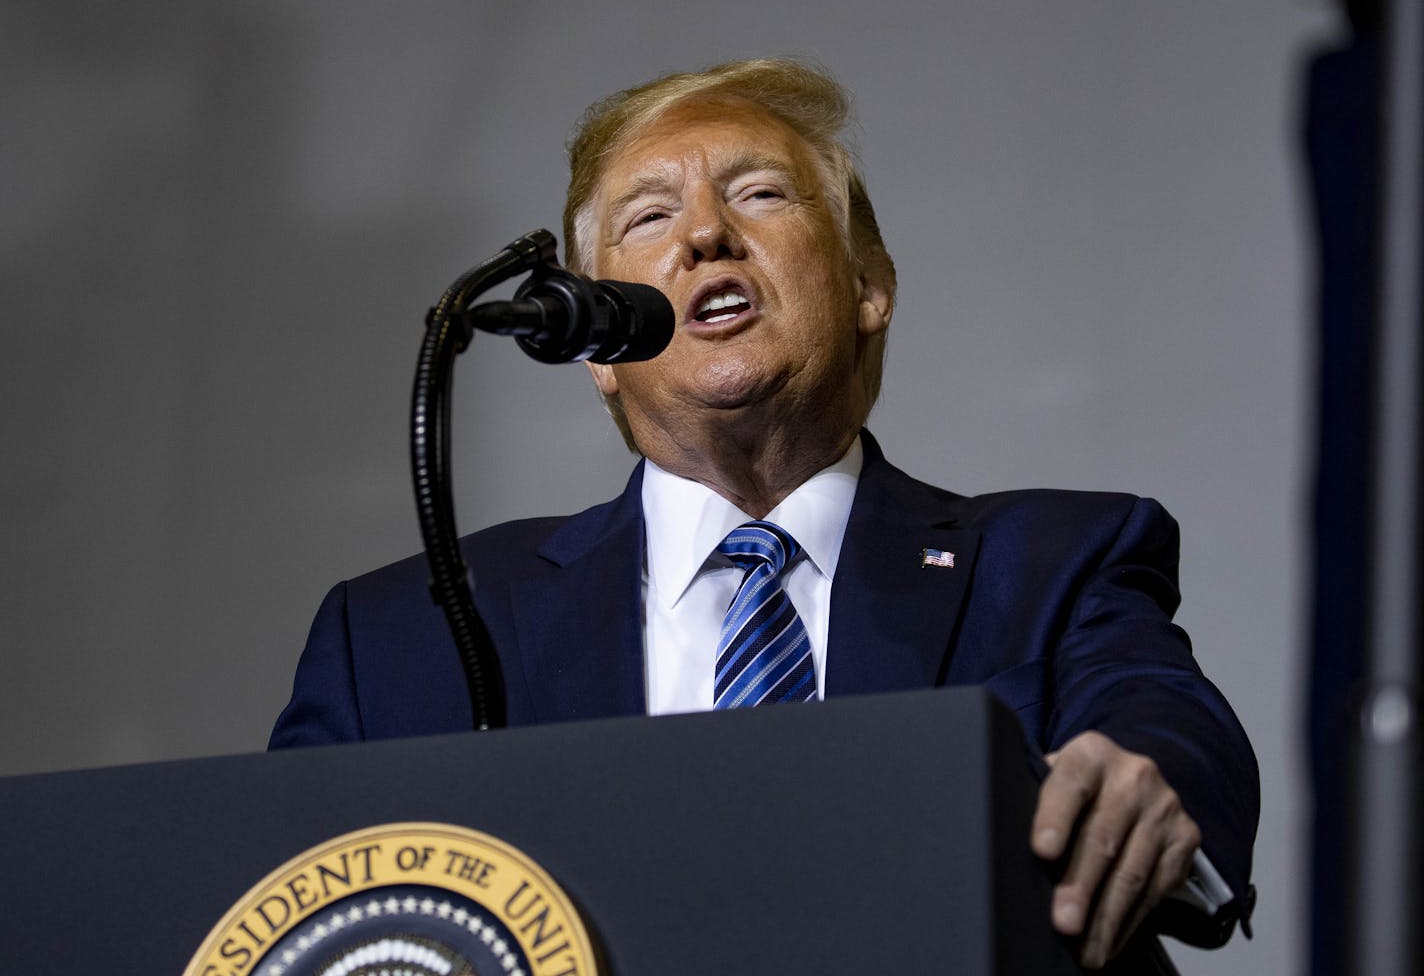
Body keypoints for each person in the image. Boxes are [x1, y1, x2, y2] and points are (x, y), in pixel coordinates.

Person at [271, 58, 1258, 969]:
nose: (704, 233)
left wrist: (1146, 774)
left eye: (758, 194)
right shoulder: (409, 634)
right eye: (646, 219)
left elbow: (1158, 720)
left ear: (867, 287)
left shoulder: (1051, 562)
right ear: (597, 350)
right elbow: (262, 910)